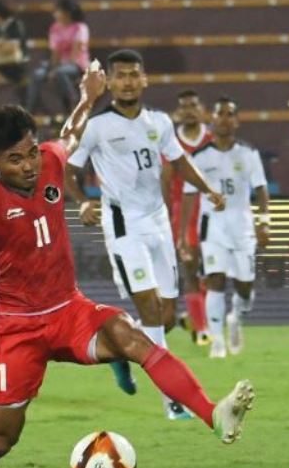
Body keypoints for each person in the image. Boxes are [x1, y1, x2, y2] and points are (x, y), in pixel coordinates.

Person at [0, 90, 255, 468]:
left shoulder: (52, 160)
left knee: (129, 334)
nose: (28, 166)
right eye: (14, 159)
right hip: (18, 330)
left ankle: (213, 414)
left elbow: (72, 132)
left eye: (31, 153)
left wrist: (87, 97)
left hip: (69, 311)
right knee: (0, 440)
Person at [64, 49, 226, 420]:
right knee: (150, 309)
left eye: (134, 74)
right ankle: (171, 401)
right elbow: (68, 171)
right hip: (124, 225)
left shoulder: (159, 122)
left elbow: (180, 162)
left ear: (145, 79)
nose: (127, 81)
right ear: (109, 81)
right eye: (120, 75)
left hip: (157, 223)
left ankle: (117, 351)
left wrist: (207, 189)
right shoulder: (97, 126)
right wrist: (82, 203)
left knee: (166, 315)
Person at [180, 97, 269, 359]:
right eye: (220, 114)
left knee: (245, 288)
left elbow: (261, 190)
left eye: (230, 114)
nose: (224, 119)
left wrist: (265, 222)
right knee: (215, 280)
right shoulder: (199, 157)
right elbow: (188, 195)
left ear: (237, 121)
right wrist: (185, 234)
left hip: (242, 228)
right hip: (213, 228)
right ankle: (217, 341)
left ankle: (236, 318)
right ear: (213, 119)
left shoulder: (248, 154)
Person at [163, 89, 211, 346]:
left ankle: (192, 317)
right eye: (184, 107)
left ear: (201, 109)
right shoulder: (171, 143)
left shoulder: (213, 139)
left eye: (193, 105)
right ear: (179, 112)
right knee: (191, 269)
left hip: (213, 214)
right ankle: (201, 330)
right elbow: (166, 181)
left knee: (213, 272)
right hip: (185, 214)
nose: (189, 110)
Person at [25, 0, 88, 115]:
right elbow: (55, 52)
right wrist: (52, 68)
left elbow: (76, 52)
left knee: (60, 73)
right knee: (37, 75)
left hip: (77, 64)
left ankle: (73, 100)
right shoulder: (55, 28)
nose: (55, 14)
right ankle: (30, 108)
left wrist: (57, 69)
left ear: (66, 13)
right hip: (59, 64)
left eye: (58, 11)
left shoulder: (80, 28)